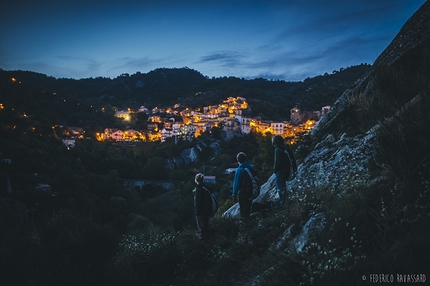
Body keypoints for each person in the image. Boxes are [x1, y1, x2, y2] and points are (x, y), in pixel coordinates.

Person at [272, 135, 297, 207]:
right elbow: (292, 158)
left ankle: (283, 204)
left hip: (280, 172)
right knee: (284, 188)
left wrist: (274, 169)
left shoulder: (277, 150)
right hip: (287, 170)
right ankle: (286, 202)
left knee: (280, 188)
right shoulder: (286, 148)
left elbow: (277, 162)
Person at [232, 152, 255, 221]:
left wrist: (234, 194)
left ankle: (245, 225)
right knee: (248, 208)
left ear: (238, 160)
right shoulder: (251, 167)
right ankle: (249, 222)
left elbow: (236, 183)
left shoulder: (239, 170)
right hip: (251, 191)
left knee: (243, 210)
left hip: (243, 193)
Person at [193, 173, 213, 242]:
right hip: (207, 211)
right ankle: (208, 242)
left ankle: (202, 244)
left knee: (201, 228)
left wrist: (197, 212)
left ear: (196, 180)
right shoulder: (206, 188)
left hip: (200, 212)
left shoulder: (198, 190)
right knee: (206, 227)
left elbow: (197, 203)